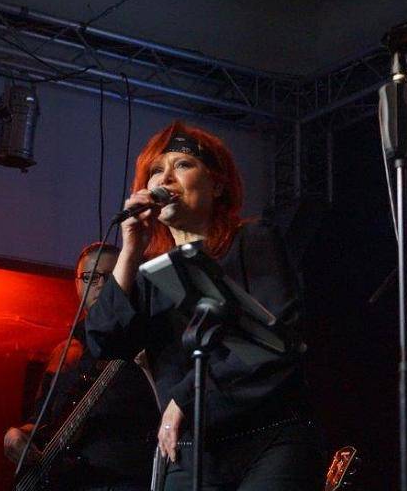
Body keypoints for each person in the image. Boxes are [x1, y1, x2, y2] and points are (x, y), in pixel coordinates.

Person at [83, 121, 324, 490]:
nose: (165, 179)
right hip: (193, 449)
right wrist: (130, 249)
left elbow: (275, 340)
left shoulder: (253, 241)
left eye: (182, 164)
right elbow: (105, 340)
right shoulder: (151, 276)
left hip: (269, 438)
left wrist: (184, 398)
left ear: (217, 185)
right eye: (155, 170)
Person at [3, 242, 160, 491]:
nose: (101, 284)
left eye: (112, 276)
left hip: (122, 479)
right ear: (77, 284)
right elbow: (42, 419)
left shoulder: (149, 342)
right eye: (90, 277)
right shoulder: (65, 351)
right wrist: (17, 435)